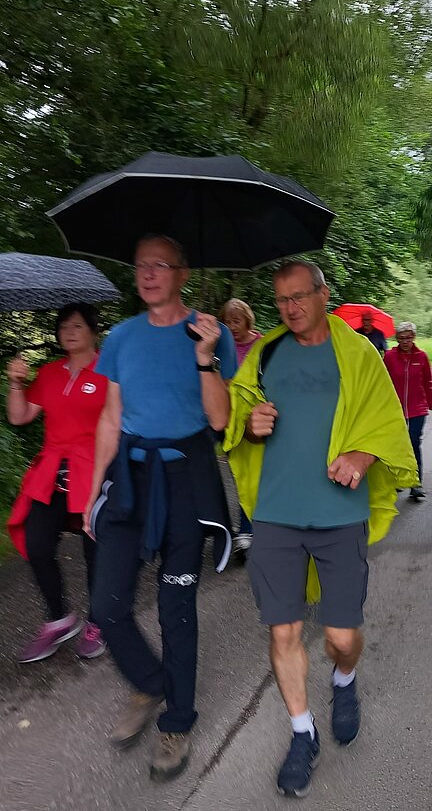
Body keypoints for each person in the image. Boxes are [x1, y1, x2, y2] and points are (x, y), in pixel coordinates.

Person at [224, 260, 417, 798]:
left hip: (339, 515)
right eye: (281, 299)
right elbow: (235, 416)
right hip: (276, 515)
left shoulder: (357, 354)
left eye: (299, 296)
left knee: (341, 637)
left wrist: (363, 454)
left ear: (322, 294)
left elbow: (386, 423)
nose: (289, 308)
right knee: (282, 631)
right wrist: (251, 426)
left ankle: (344, 678)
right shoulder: (267, 352)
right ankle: (302, 732)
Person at [83, 234, 237, 782]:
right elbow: (110, 417)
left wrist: (204, 359)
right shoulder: (121, 338)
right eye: (140, 265)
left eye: (160, 265)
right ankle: (150, 682)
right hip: (130, 479)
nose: (147, 273)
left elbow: (219, 420)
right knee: (106, 607)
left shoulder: (210, 333)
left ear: (182, 273)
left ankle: (177, 719)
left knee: (177, 608)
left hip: (185, 481)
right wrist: (93, 491)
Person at [6, 303, 108, 663]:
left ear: (93, 330)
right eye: (64, 326)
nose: (69, 332)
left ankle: (99, 622)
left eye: (77, 325)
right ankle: (59, 619)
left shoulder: (109, 372)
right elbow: (19, 416)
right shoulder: (49, 373)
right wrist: (16, 383)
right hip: (53, 473)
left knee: (96, 552)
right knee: (37, 543)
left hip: (94, 471)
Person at [221, 298, 263, 559]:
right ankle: (243, 532)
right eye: (227, 322)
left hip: (258, 422)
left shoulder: (262, 345)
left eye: (236, 321)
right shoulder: (222, 348)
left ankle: (257, 528)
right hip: (231, 421)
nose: (232, 326)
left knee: (258, 476)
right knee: (239, 475)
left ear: (248, 320)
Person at [384, 321, 432, 501]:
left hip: (417, 408)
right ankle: (398, 479)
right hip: (395, 409)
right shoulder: (390, 357)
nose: (405, 341)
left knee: (414, 443)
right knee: (397, 445)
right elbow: (383, 382)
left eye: (408, 337)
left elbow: (427, 382)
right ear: (397, 339)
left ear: (413, 337)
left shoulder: (421, 356)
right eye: (401, 338)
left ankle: (416, 483)